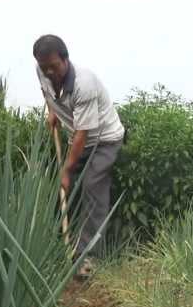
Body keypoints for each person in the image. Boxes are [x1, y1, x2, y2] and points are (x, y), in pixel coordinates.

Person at [33, 34, 125, 277]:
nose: (49, 72)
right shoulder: (42, 70)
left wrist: (67, 169)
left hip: (104, 139)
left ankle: (88, 257)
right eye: (44, 67)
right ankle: (62, 244)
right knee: (62, 187)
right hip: (78, 137)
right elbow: (46, 91)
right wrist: (52, 110)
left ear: (65, 59)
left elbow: (83, 135)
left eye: (53, 66)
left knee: (92, 185)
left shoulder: (85, 83)